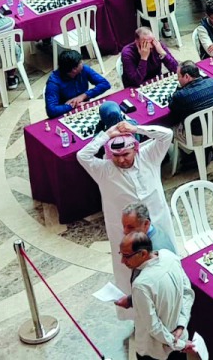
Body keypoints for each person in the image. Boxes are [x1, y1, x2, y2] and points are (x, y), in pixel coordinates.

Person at [76, 122, 176, 321]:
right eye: (116, 156)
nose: (121, 160)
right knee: (128, 273)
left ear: (135, 149)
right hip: (126, 234)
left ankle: (172, 304)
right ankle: (137, 314)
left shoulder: (149, 156)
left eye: (125, 155)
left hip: (158, 225)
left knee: (167, 262)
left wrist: (137, 129)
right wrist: (107, 135)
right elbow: (82, 156)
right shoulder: (104, 171)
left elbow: (167, 134)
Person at [120, 232, 197, 360]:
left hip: (154, 350)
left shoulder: (141, 285)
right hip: (179, 338)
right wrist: (181, 325)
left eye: (127, 256)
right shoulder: (170, 256)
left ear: (143, 253)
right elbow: (187, 293)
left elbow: (154, 326)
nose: (122, 261)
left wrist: (180, 344)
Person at [168, 61, 213, 143]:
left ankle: (183, 155)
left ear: (186, 76)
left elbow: (172, 106)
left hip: (195, 137)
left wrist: (179, 88)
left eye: (179, 76)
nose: (178, 79)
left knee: (169, 130)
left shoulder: (181, 95)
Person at [45, 50, 111, 118]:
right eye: (80, 62)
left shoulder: (84, 69)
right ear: (74, 69)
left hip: (85, 108)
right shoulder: (53, 83)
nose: (83, 62)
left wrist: (83, 96)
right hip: (66, 115)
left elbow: (105, 84)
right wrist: (72, 105)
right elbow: (51, 110)